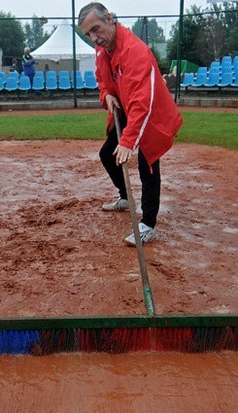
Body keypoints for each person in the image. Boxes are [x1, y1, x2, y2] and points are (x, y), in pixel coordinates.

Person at [78, 2, 183, 246]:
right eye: (89, 34)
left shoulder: (135, 51)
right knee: (107, 153)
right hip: (127, 106)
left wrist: (128, 142)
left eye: (96, 29)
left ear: (109, 19)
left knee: (148, 164)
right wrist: (106, 95)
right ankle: (126, 198)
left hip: (151, 113)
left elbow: (142, 103)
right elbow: (101, 78)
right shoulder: (103, 50)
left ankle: (147, 224)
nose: (95, 38)